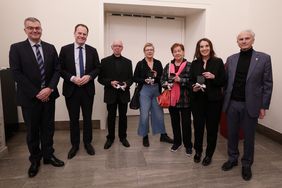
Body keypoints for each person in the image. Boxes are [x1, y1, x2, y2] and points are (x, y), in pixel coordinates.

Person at [9, 17, 64, 178]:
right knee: (32, 130)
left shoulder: (50, 48)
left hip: (49, 96)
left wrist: (49, 88)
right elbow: (16, 73)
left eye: (37, 28)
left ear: (41, 29)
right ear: (25, 30)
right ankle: (35, 159)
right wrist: (36, 92)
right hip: (29, 98)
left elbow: (57, 70)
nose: (35, 30)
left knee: (48, 128)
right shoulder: (17, 48)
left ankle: (48, 155)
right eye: (31, 28)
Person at [221, 30, 273, 181]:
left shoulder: (263, 58)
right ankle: (232, 158)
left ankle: (247, 164)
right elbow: (225, 81)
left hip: (251, 105)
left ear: (253, 40)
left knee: (249, 137)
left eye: (247, 38)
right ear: (237, 42)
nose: (244, 41)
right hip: (232, 104)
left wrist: (263, 106)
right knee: (232, 134)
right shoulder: (231, 59)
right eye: (240, 39)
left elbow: (267, 84)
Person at [59, 24, 100, 159]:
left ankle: (88, 143)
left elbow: (97, 68)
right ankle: (75, 145)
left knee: (87, 118)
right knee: (73, 119)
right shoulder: (65, 50)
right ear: (75, 33)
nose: (82, 36)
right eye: (79, 33)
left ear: (87, 35)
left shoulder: (92, 50)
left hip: (87, 90)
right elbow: (60, 69)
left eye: (84, 34)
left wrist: (89, 76)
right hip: (72, 90)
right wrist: (72, 78)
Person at [190, 38, 226, 166]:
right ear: (198, 49)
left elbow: (223, 81)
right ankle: (198, 151)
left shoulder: (218, 62)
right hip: (198, 101)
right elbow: (190, 80)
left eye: (206, 46)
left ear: (210, 47)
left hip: (214, 102)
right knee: (198, 128)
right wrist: (193, 87)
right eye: (201, 46)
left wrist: (214, 77)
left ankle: (209, 154)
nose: (204, 48)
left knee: (211, 130)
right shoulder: (194, 64)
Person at [133, 42, 173, 147]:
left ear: (153, 51)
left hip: (156, 90)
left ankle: (163, 135)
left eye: (151, 49)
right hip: (144, 91)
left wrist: (161, 82)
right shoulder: (140, 64)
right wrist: (144, 80)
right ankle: (145, 135)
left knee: (159, 114)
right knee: (144, 115)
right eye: (147, 50)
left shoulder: (158, 63)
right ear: (144, 52)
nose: (149, 51)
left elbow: (161, 78)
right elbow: (135, 78)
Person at [98, 40, 133, 149]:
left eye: (119, 46)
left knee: (123, 117)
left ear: (122, 48)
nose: (117, 48)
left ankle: (123, 137)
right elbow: (100, 79)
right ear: (112, 47)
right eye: (115, 46)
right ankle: (110, 138)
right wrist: (110, 82)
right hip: (110, 94)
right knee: (111, 117)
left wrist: (127, 83)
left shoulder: (128, 62)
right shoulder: (104, 61)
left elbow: (131, 79)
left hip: (123, 94)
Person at [161, 43, 193, 155]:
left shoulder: (190, 65)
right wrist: (166, 84)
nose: (177, 53)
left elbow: (192, 82)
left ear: (183, 52)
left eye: (179, 51)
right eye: (175, 51)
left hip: (185, 99)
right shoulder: (168, 66)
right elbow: (162, 80)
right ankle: (177, 142)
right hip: (172, 99)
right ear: (172, 53)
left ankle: (188, 145)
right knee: (174, 122)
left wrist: (181, 80)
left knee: (186, 124)